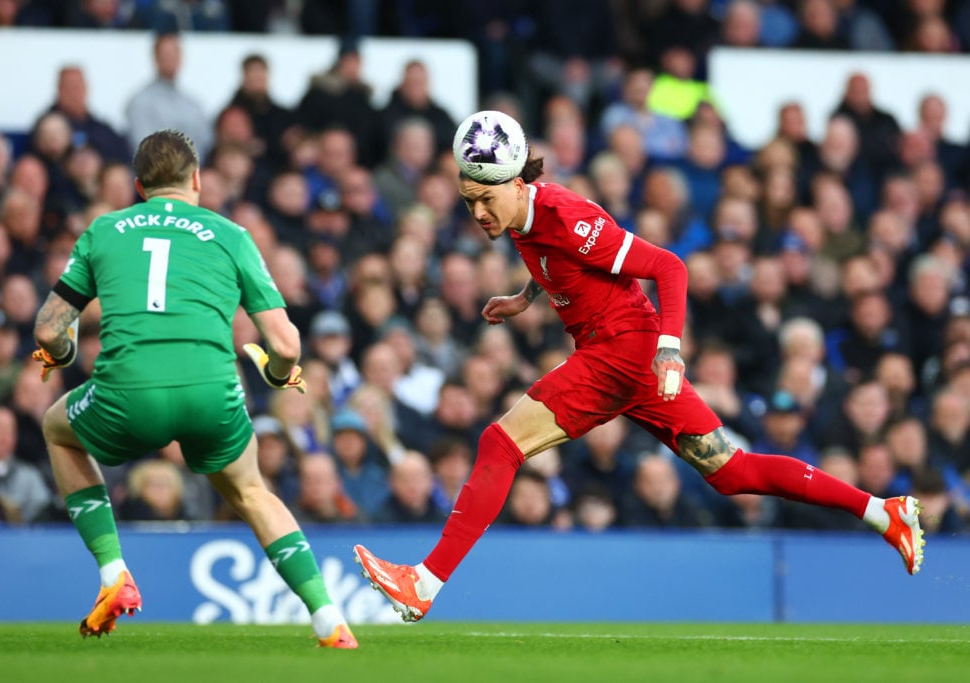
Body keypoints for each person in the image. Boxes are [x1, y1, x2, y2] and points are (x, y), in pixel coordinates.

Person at [354, 111, 926, 624]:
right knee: (733, 473)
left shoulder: (568, 216)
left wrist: (669, 349)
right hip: (624, 358)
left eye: (485, 199)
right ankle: (884, 512)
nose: (478, 213)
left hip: (622, 353)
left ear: (518, 183)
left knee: (499, 444)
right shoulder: (523, 217)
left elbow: (670, 267)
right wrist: (525, 298)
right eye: (468, 202)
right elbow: (557, 260)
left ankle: (423, 584)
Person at [31, 129, 356, 647]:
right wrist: (276, 376)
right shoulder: (231, 234)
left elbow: (49, 330)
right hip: (212, 393)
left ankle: (113, 572)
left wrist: (63, 355)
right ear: (198, 178)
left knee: (57, 429)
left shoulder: (104, 229)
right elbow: (287, 345)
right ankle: (328, 618)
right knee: (250, 490)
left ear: (139, 186)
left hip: (127, 394)